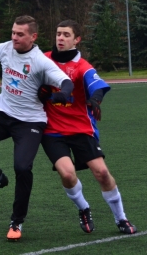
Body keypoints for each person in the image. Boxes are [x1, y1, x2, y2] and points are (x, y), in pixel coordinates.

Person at [0, 15, 74, 241]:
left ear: (33, 37)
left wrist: (64, 93)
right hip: (3, 114)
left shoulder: (40, 61)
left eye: (20, 34)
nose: (14, 37)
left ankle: (17, 221)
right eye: (13, 32)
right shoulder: (5, 49)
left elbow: (66, 82)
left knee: (23, 167)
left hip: (30, 121)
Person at [38, 19, 137, 234]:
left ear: (77, 39)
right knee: (67, 174)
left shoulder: (82, 66)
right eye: (58, 34)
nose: (60, 38)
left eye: (66, 35)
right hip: (52, 131)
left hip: (82, 128)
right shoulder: (43, 59)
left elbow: (96, 85)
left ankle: (121, 218)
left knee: (101, 172)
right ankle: (83, 208)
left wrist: (95, 100)